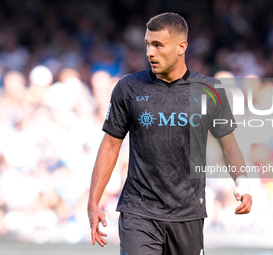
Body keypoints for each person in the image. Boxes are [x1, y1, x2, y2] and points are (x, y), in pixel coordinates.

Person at [88, 12, 252, 255]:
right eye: (147, 44)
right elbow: (110, 145)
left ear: (181, 47)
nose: (149, 52)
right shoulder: (128, 87)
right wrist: (93, 201)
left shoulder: (210, 90)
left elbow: (228, 145)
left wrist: (243, 184)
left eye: (158, 45)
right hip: (139, 212)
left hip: (188, 215)